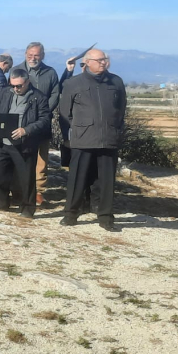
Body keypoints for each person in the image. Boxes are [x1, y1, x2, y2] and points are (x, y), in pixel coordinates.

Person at [59, 49, 126, 232]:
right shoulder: (73, 83)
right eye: (99, 60)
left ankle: (105, 217)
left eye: (105, 59)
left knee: (107, 181)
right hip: (83, 139)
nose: (103, 62)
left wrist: (115, 129)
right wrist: (72, 134)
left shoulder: (116, 82)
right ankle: (71, 214)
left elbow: (121, 110)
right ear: (87, 62)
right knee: (77, 178)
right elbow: (64, 113)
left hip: (108, 139)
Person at [0, 68, 52, 218]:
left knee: (26, 178)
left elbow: (44, 119)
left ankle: (28, 208)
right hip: (2, 141)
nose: (15, 89)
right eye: (13, 85)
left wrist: (26, 130)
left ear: (27, 82)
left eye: (19, 86)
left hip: (24, 143)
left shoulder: (38, 97)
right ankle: (1, 201)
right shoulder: (5, 92)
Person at [18, 42, 61, 206]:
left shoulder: (50, 73)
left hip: (42, 121)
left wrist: (43, 112)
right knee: (19, 155)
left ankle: (38, 191)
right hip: (21, 121)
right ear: (25, 54)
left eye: (36, 55)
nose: (32, 58)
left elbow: (55, 95)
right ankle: (19, 188)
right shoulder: (18, 70)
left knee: (41, 158)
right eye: (30, 55)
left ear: (42, 56)